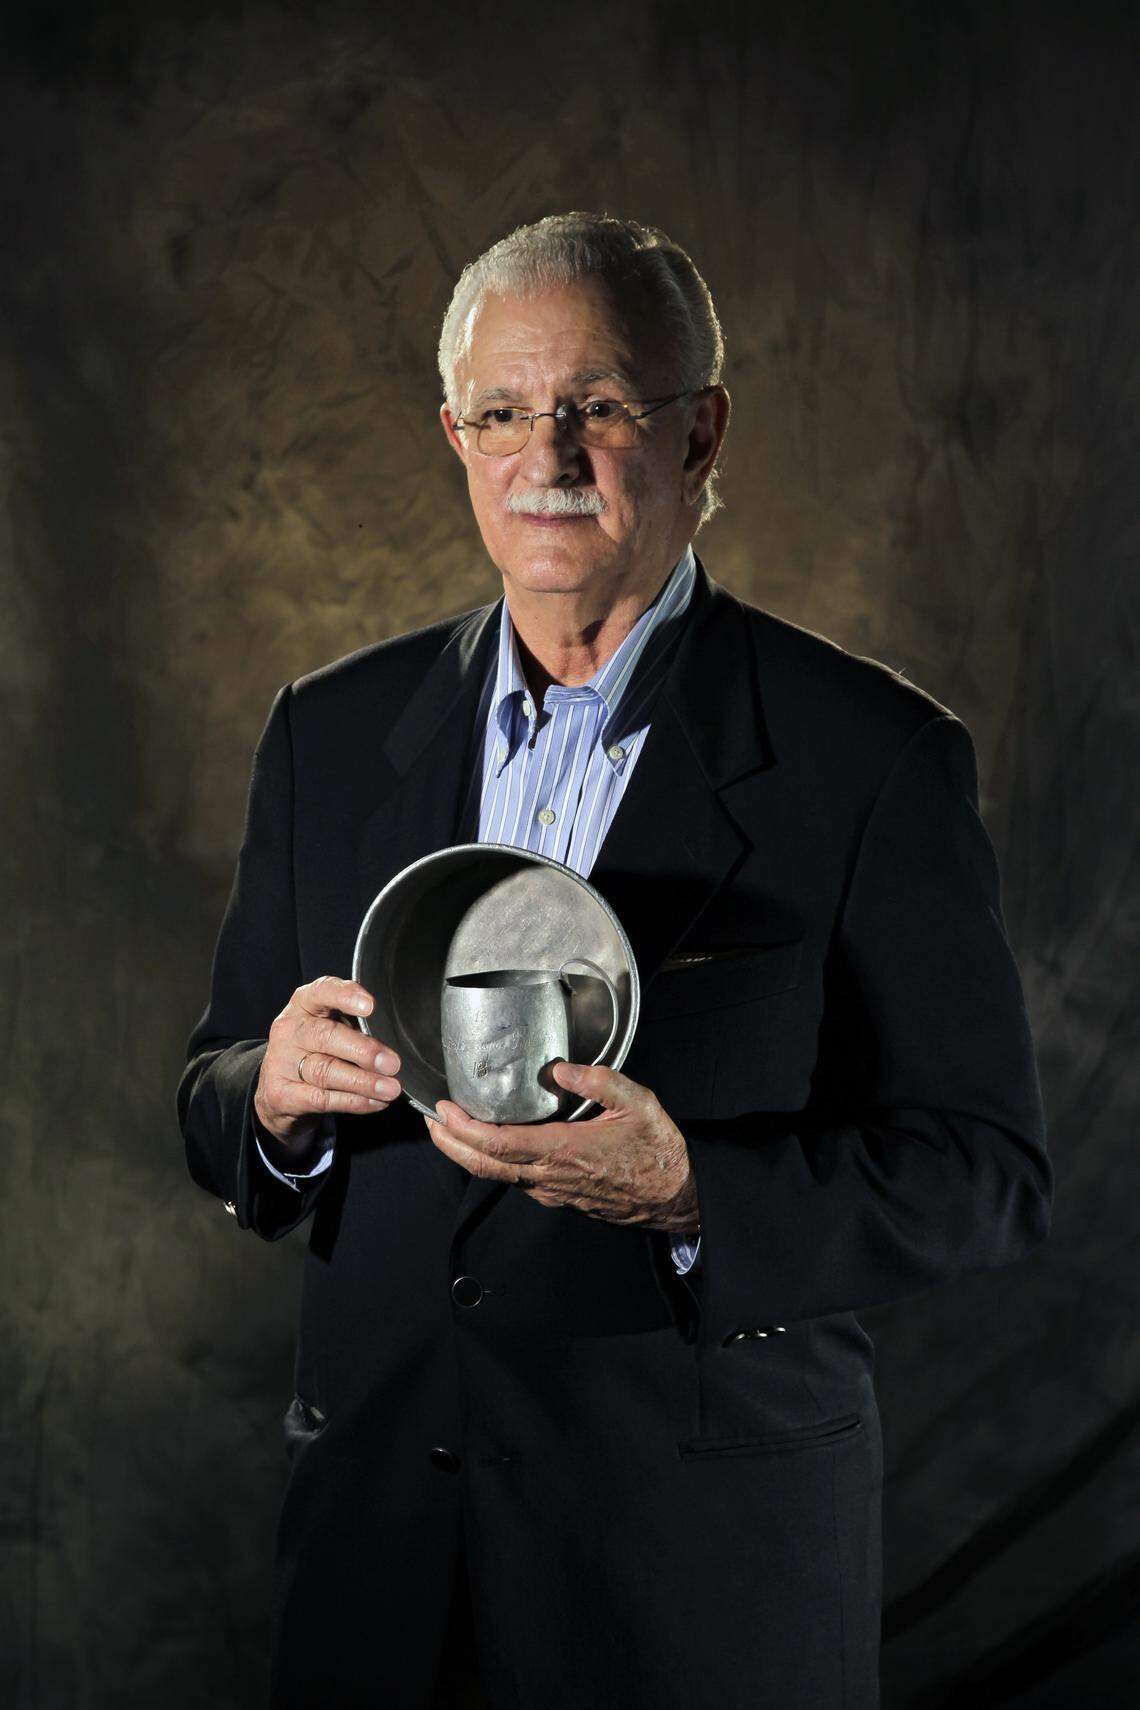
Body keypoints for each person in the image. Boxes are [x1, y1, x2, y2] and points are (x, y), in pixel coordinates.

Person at [177, 212, 1051, 1710]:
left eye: (600, 404)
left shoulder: (872, 756)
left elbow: (987, 1176)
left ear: (701, 433)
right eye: (504, 413)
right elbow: (212, 1096)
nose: (549, 455)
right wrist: (269, 1098)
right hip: (382, 1571)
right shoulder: (328, 729)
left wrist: (698, 1194)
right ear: (456, 438)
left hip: (698, 1588)